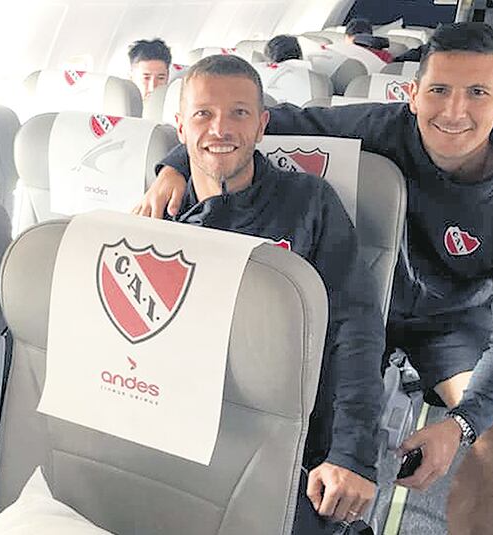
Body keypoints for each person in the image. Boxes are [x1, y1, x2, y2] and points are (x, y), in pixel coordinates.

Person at [135, 22, 493, 535]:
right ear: (412, 94)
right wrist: (175, 165)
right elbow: (258, 122)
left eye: (477, 93)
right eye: (439, 91)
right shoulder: (378, 128)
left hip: (447, 324)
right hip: (358, 292)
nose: (453, 111)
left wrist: (459, 426)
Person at [168, 54, 385, 533]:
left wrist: (352, 452)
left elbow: (356, 328)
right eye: (203, 114)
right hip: (182, 427)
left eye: (239, 113)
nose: (220, 128)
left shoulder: (309, 202)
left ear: (263, 125)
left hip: (292, 437)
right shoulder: (156, 217)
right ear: (179, 127)